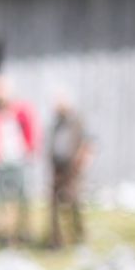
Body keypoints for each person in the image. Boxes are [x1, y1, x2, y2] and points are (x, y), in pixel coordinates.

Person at [0, 74, 37, 245]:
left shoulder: (21, 111)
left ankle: (24, 233)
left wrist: (29, 151)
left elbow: (31, 132)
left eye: (0, 90)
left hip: (19, 161)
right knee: (1, 200)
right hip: (1, 163)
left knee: (22, 199)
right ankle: (5, 236)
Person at [47, 95, 92, 247]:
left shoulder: (77, 122)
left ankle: (79, 236)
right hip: (57, 168)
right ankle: (56, 240)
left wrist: (80, 163)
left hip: (72, 170)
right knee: (53, 204)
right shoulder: (56, 124)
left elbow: (89, 144)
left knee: (74, 201)